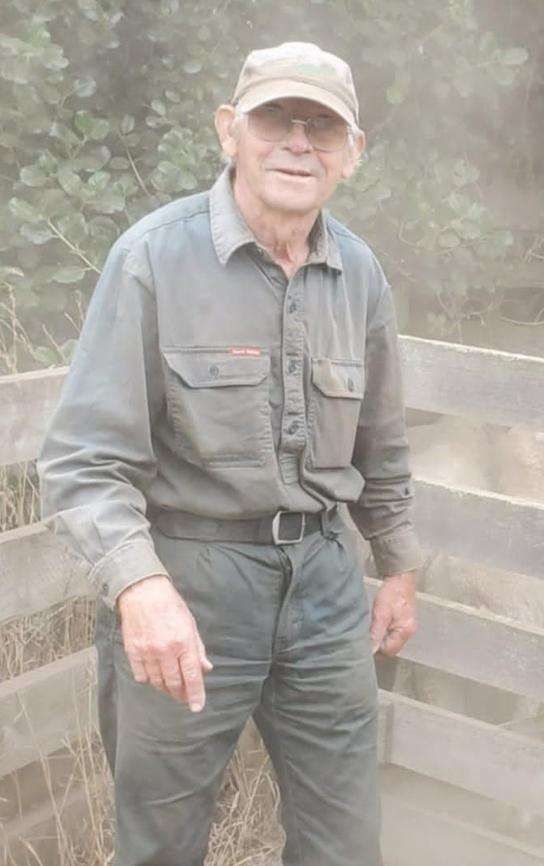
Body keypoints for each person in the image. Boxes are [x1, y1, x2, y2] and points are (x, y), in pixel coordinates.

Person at [37, 41, 423, 866]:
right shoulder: (152, 258)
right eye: (276, 119)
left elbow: (381, 441)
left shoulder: (359, 273)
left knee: (346, 842)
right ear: (228, 131)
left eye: (323, 128)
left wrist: (397, 563)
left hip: (324, 584)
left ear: (352, 155)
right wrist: (140, 587)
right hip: (189, 579)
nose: (297, 143)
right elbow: (81, 461)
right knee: (162, 844)